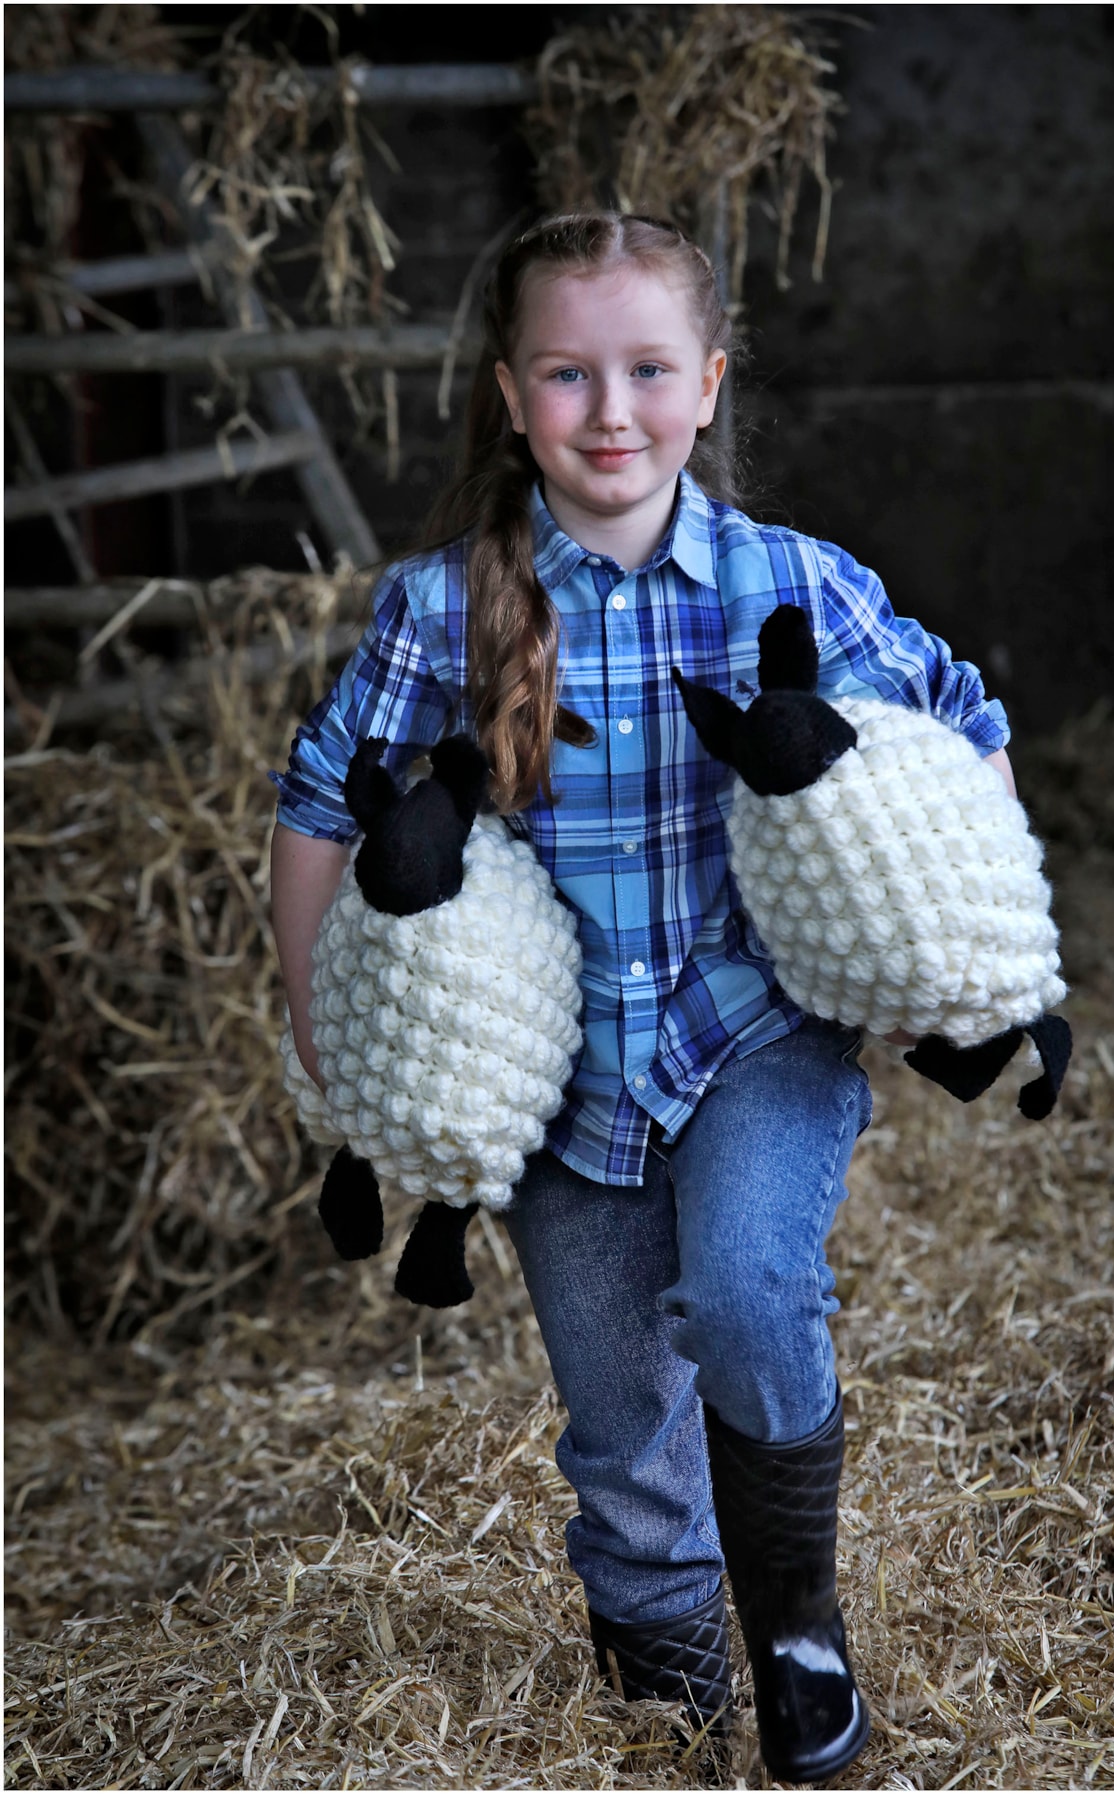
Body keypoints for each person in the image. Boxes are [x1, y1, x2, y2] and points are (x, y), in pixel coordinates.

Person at [269, 212, 1015, 1784]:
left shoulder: (786, 579)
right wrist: (324, 1033)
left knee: (748, 1292)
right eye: (568, 373)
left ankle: (800, 1631)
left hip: (756, 1037)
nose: (611, 411)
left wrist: (949, 928)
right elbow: (322, 795)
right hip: (556, 1078)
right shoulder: (442, 612)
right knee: (619, 1425)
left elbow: (960, 713)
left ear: (709, 380)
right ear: (509, 393)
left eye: (649, 370)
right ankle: (669, 1685)